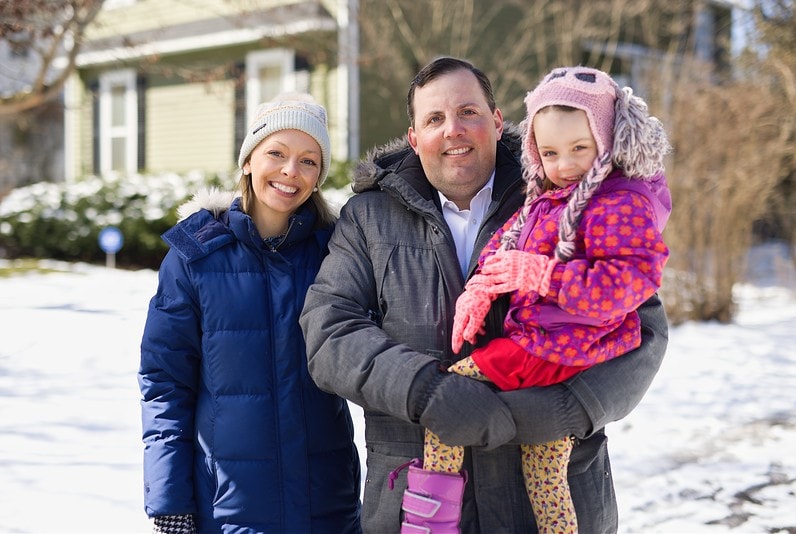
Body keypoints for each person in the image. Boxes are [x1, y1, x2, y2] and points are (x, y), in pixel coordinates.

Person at [300, 57, 669, 533]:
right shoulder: (368, 218)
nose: (453, 129)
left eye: (468, 112)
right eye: (434, 119)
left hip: (546, 499)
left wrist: (569, 407)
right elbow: (331, 333)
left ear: (497, 122)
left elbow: (643, 326)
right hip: (416, 503)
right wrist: (426, 390)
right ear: (414, 137)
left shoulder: (565, 191)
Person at [421, 66, 672, 533]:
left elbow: (626, 284)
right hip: (555, 345)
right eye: (550, 153)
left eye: (580, 148)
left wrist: (541, 275)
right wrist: (480, 287)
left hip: (552, 346)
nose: (565, 165)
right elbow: (508, 242)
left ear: (609, 137)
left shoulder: (619, 202)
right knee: (544, 470)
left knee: (447, 402)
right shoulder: (551, 197)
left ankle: (429, 525)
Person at [138, 93, 361, 533]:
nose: (289, 171)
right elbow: (164, 383)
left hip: (326, 504)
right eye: (276, 153)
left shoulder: (339, 251)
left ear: (318, 176)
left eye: (308, 161)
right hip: (227, 507)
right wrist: (169, 500)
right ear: (247, 161)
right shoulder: (195, 255)